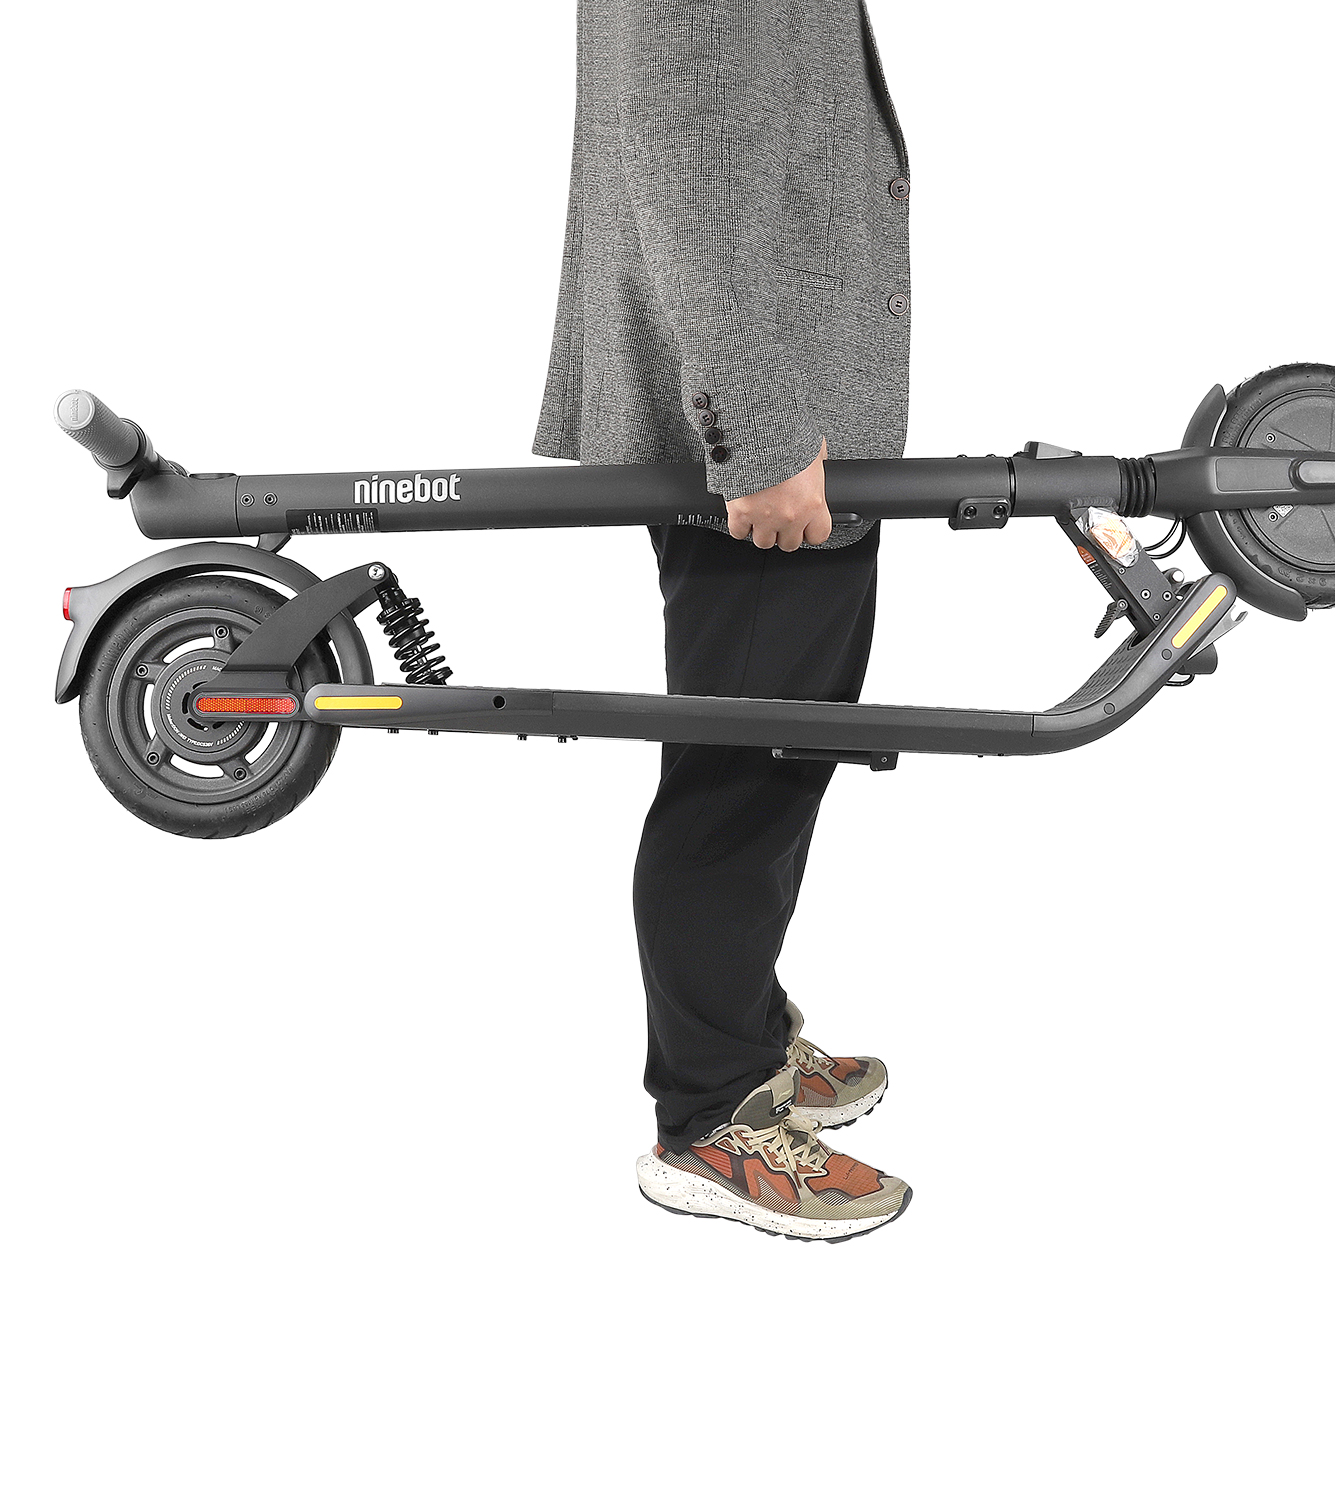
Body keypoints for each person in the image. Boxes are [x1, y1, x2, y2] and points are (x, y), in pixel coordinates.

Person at [534, 0, 913, 1240]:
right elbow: (681, 138)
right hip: (759, 424)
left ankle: (739, 1031)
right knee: (741, 769)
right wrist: (753, 427)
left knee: (781, 742)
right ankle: (711, 1117)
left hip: (782, 405)